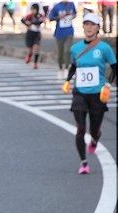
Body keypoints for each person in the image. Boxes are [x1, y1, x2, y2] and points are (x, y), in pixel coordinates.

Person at [62, 12, 118, 174]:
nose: (89, 27)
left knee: (94, 129)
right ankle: (84, 163)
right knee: (80, 128)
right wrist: (67, 81)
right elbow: (74, 66)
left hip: (98, 94)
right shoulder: (75, 48)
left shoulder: (104, 48)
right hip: (79, 92)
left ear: (98, 28)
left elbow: (114, 68)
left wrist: (107, 85)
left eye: (92, 24)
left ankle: (94, 139)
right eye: (86, 24)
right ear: (83, 26)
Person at [49, 1, 78, 77]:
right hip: (59, 33)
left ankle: (66, 68)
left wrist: (73, 16)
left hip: (69, 31)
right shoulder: (57, 6)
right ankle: (60, 68)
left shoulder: (71, 4)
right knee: (60, 53)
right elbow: (50, 17)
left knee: (67, 51)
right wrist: (59, 17)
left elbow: (75, 14)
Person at [21, 3, 46, 68]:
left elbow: (40, 21)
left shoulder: (40, 15)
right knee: (30, 50)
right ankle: (29, 56)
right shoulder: (29, 16)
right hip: (30, 33)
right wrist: (27, 24)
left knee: (36, 48)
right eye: (32, 9)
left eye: (34, 9)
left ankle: (35, 63)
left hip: (37, 34)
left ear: (37, 9)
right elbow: (22, 20)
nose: (33, 11)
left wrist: (31, 23)